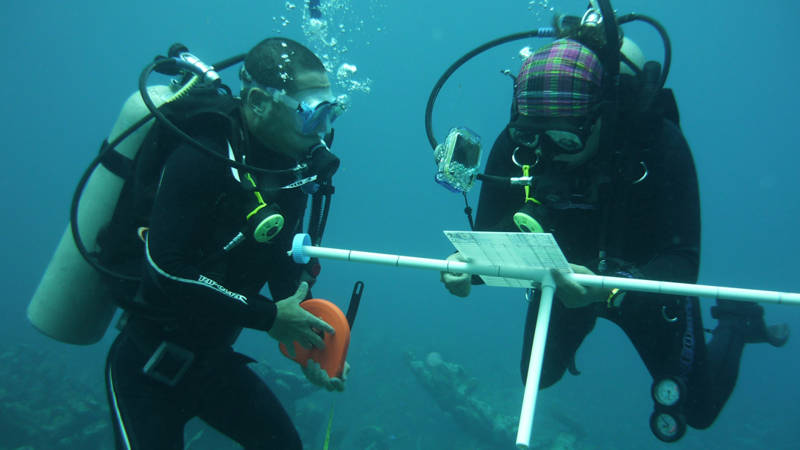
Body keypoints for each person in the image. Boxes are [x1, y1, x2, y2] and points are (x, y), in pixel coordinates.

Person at [440, 36, 789, 439]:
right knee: (538, 377)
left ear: (602, 115)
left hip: (641, 280)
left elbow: (682, 260)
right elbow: (489, 236)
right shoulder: (520, 143)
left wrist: (607, 292)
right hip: (563, 276)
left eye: (566, 138)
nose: (551, 150)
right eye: (536, 135)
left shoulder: (657, 143)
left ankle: (737, 322)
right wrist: (466, 267)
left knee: (699, 408)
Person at [105, 37, 350, 450]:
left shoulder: (289, 169)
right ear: (256, 101)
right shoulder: (204, 155)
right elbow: (167, 268)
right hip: (147, 367)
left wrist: (314, 344)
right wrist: (269, 316)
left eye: (330, 113)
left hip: (214, 363)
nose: (322, 132)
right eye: (311, 115)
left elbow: (282, 268)